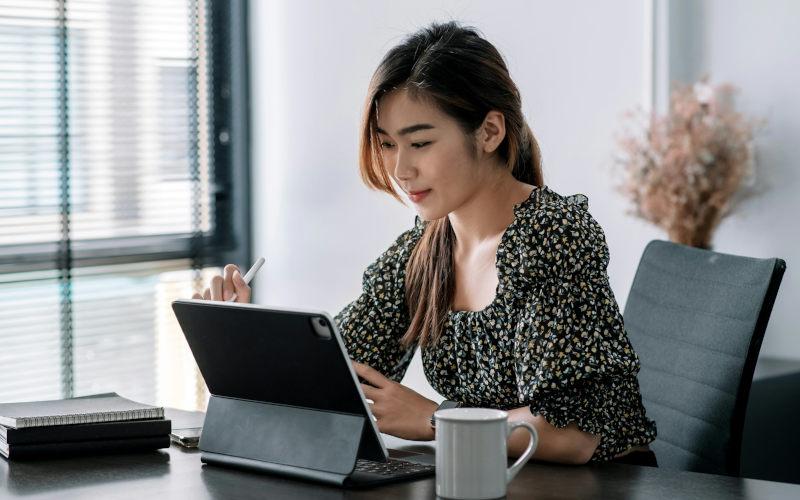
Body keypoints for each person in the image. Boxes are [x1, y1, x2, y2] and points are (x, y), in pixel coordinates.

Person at [195, 21, 657, 466]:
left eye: (419, 143)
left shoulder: (552, 235)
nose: (400, 171)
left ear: (490, 132)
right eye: (389, 145)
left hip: (599, 486)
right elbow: (337, 378)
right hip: (487, 477)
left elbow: (572, 434)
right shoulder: (425, 250)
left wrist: (436, 420)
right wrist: (240, 336)